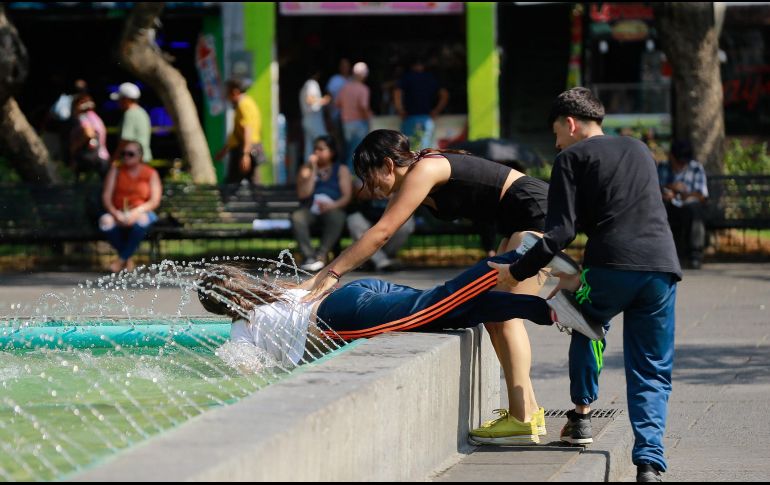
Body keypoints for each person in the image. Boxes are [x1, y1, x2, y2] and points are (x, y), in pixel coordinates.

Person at [197, 248, 603, 446]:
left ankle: (521, 256)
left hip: (346, 318)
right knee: (455, 310)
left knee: (444, 299)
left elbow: (249, 379)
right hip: (357, 293)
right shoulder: (275, 290)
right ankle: (549, 312)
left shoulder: (241, 331)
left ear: (220, 309)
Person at [301, 128, 552, 444]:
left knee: (504, 313)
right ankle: (527, 409)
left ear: (389, 165)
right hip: (519, 220)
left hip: (536, 214)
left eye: (370, 176)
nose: (369, 187)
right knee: (494, 314)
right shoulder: (422, 173)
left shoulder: (425, 169)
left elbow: (383, 232)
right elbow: (487, 197)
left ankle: (523, 417)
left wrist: (331, 273)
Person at [490, 87, 681, 482]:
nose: (556, 141)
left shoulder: (570, 158)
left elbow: (559, 234)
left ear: (571, 124)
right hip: (661, 268)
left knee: (582, 320)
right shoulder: (639, 150)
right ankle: (649, 463)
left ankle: (581, 417)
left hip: (611, 266)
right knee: (651, 369)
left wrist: (518, 272)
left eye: (557, 132)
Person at [292, 135, 353, 272]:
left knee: (338, 216)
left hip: (332, 208)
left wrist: (333, 205)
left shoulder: (341, 169)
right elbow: (304, 194)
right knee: (297, 217)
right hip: (311, 210)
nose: (316, 152)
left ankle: (321, 255)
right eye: (315, 149)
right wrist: (313, 169)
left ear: (331, 152)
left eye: (321, 149)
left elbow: (347, 196)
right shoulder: (306, 169)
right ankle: (309, 256)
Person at [99, 141, 162, 273]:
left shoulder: (150, 173)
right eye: (124, 154)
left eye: (130, 154)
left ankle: (120, 260)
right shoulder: (116, 171)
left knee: (142, 221)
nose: (126, 157)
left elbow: (154, 201)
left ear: (140, 156)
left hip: (143, 211)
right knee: (105, 221)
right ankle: (127, 258)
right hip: (119, 212)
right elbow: (106, 197)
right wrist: (115, 214)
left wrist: (137, 212)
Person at [658, 140, 708, 269]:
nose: (682, 164)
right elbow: (653, 190)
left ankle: (695, 255)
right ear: (671, 156)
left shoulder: (695, 168)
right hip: (668, 207)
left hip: (688, 207)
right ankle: (662, 255)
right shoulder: (663, 167)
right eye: (679, 160)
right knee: (659, 208)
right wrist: (670, 188)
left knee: (694, 209)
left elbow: (702, 195)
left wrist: (682, 194)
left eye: (685, 161)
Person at [346, 191, 414, 272]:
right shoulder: (364, 179)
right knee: (354, 220)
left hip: (393, 216)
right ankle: (381, 261)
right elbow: (358, 190)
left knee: (407, 224)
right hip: (365, 213)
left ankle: (373, 260)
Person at [215, 79, 265, 185]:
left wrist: (245, 154)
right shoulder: (246, 103)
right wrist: (224, 150)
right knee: (251, 183)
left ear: (235, 92)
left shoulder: (244, 105)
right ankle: (261, 201)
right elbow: (235, 134)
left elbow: (247, 130)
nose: (226, 96)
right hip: (247, 148)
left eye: (227, 93)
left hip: (245, 149)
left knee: (231, 184)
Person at [393, 58, 449, 150]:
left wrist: (400, 109)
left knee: (408, 151)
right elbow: (445, 95)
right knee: (426, 151)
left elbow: (397, 93)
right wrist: (436, 111)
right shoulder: (430, 78)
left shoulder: (407, 77)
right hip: (426, 119)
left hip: (410, 118)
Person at [336, 61, 373, 170]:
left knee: (349, 150)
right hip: (359, 123)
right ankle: (352, 177)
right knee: (357, 152)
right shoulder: (363, 89)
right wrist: (369, 117)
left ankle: (348, 175)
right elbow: (363, 105)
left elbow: (337, 103)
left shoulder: (345, 87)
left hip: (346, 123)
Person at [69, 94, 110, 179]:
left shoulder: (83, 117)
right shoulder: (95, 117)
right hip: (102, 158)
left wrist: (75, 147)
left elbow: (89, 134)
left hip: (90, 161)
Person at [110, 82, 152, 163]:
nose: (118, 103)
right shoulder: (141, 112)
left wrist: (114, 159)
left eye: (119, 99)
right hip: (143, 158)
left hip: (134, 160)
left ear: (126, 99)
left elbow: (125, 139)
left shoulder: (130, 114)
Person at [299, 69, 331, 162]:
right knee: (324, 143)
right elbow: (310, 99)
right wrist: (324, 100)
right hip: (313, 119)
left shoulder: (304, 86)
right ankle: (325, 168)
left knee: (309, 148)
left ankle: (309, 169)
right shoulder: (311, 84)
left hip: (307, 119)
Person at [325, 58, 351, 155]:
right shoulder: (334, 80)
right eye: (343, 65)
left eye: (347, 65)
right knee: (339, 143)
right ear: (339, 67)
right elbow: (328, 98)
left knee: (348, 143)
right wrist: (328, 117)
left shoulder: (352, 80)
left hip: (350, 118)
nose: (345, 67)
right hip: (336, 116)